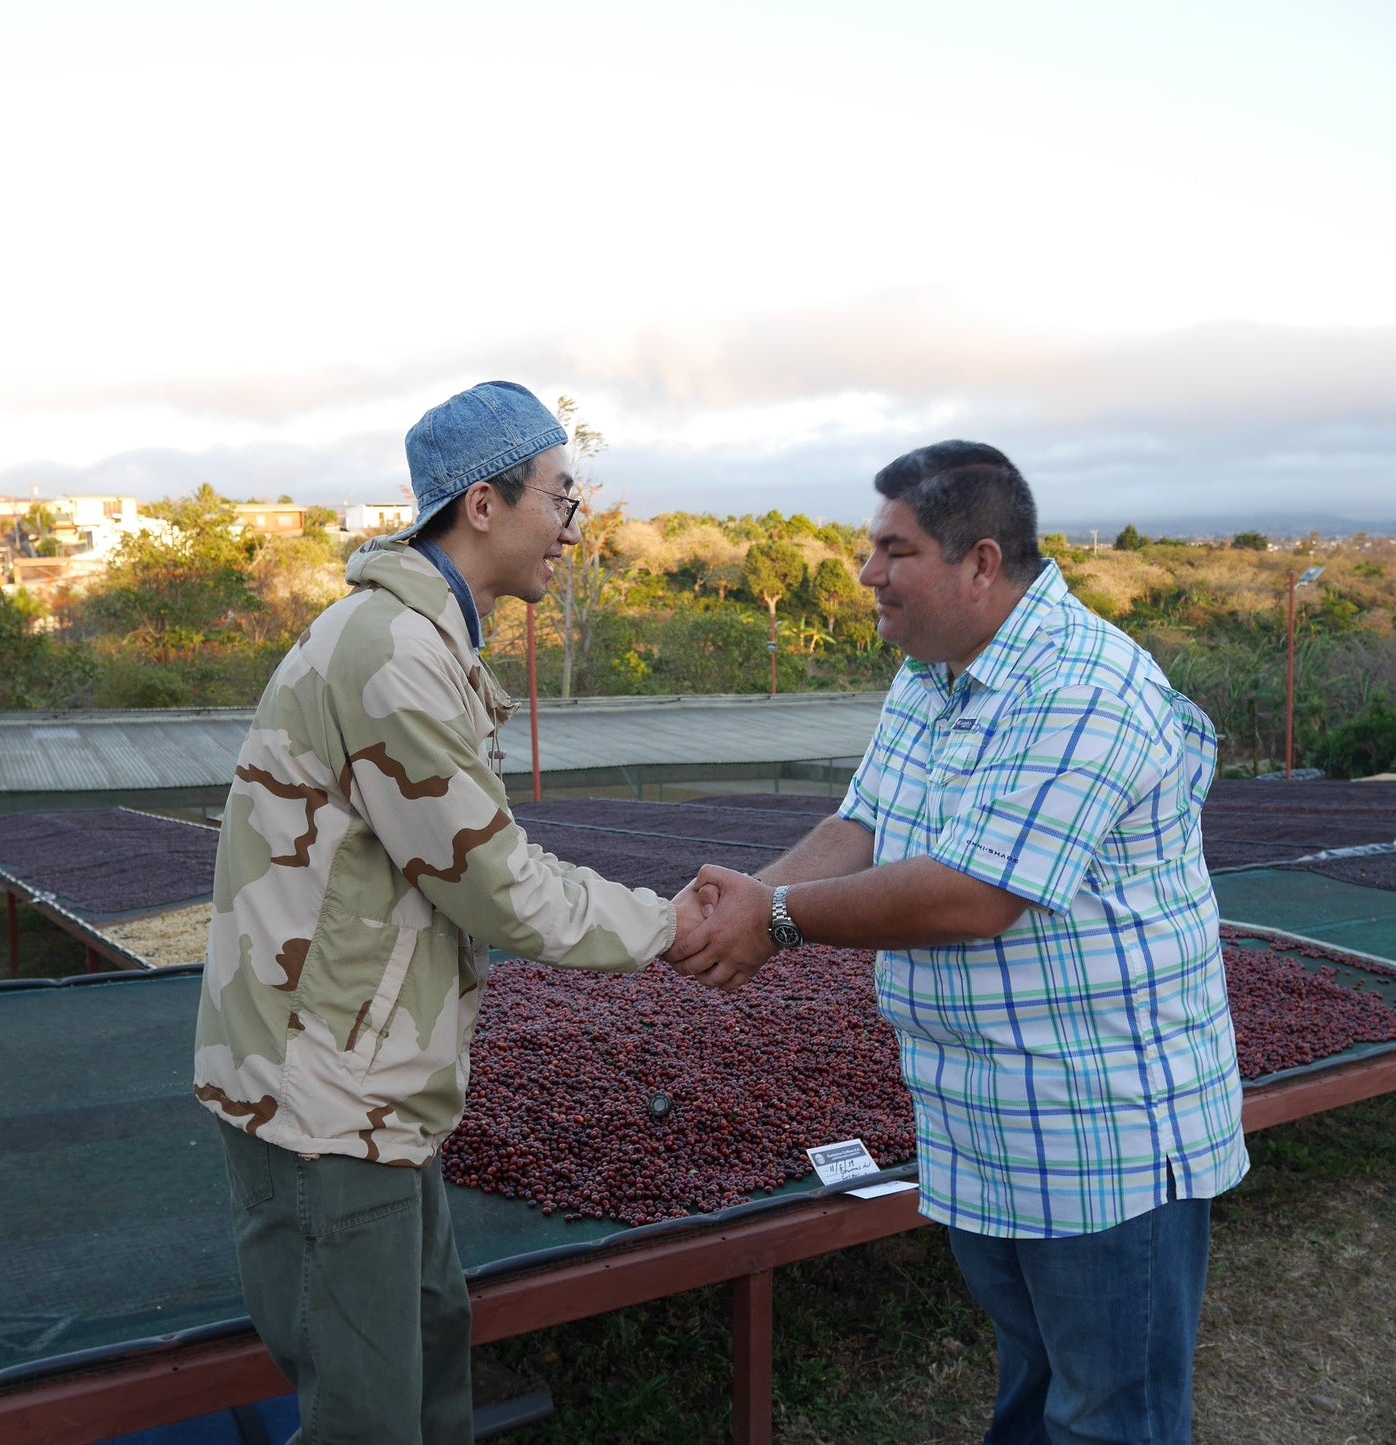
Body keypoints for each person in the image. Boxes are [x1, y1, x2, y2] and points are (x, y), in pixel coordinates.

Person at [667, 440, 1249, 1444]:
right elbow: (863, 825)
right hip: (983, 1126)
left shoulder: (1082, 689)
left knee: (1108, 1417)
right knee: (1032, 1388)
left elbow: (974, 895)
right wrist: (750, 893)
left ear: (980, 562)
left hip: (1097, 1136)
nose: (864, 572)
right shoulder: (933, 675)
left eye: (892, 549)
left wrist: (772, 920)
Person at [194, 381, 703, 1444]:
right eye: (562, 499)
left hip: (371, 1088)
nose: (575, 525)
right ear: (483, 502)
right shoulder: (391, 654)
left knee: (426, 1359)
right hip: (325, 1099)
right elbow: (498, 883)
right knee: (367, 1414)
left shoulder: (415, 637)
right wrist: (675, 922)